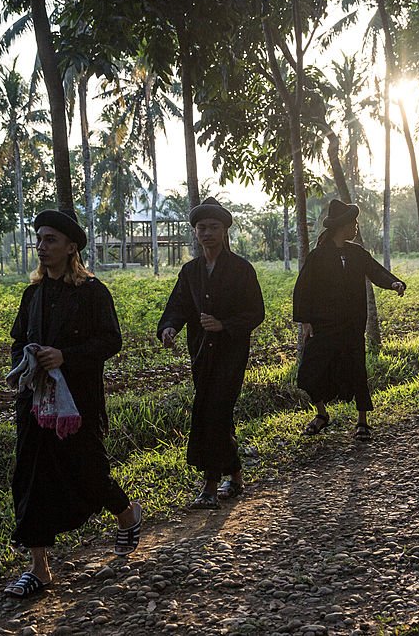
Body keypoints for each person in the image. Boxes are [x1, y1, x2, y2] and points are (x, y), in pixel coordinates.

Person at [5, 209, 140, 599]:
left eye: (50, 240)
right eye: (39, 239)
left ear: (71, 247)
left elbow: (110, 341)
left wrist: (65, 356)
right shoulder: (32, 294)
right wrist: (26, 360)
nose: (42, 247)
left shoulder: (93, 292)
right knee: (30, 478)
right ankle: (40, 569)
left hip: (77, 404)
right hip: (35, 404)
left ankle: (127, 515)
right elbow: (17, 340)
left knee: (89, 471)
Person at [157, 198, 265, 510]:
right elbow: (178, 305)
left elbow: (256, 312)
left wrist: (224, 325)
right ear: (195, 232)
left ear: (224, 231)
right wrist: (169, 328)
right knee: (215, 411)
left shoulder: (242, 269)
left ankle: (210, 484)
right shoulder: (190, 271)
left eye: (213, 228)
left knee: (214, 411)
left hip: (231, 353)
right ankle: (236, 475)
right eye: (201, 228)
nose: (207, 233)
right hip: (201, 352)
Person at [293, 199, 406, 441]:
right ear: (341, 226)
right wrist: (305, 321)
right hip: (323, 326)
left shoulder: (358, 254)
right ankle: (322, 414)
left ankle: (362, 421)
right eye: (353, 223)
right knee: (309, 372)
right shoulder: (318, 256)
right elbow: (303, 289)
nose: (356, 227)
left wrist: (393, 282)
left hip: (352, 326)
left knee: (357, 371)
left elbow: (377, 272)